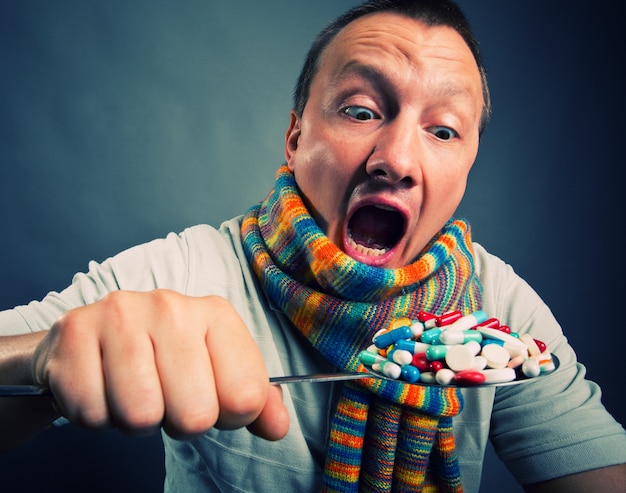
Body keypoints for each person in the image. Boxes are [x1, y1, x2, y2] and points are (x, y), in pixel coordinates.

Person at [1, 0, 625, 491]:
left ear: (466, 168)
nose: (399, 160)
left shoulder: (498, 311)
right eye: (359, 111)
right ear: (295, 138)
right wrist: (40, 359)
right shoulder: (187, 270)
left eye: (442, 130)